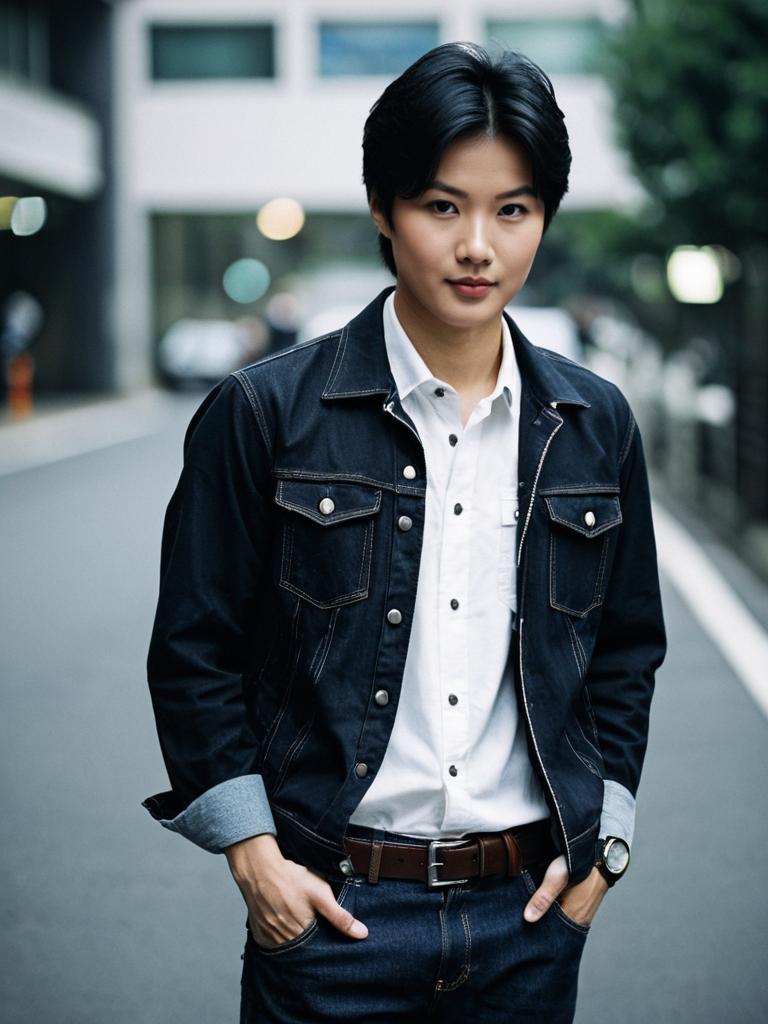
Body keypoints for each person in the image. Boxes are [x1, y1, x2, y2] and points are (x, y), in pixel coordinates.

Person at [142, 42, 667, 1023]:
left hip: (529, 919)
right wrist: (255, 859)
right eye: (442, 206)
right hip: (331, 915)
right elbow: (194, 648)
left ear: (545, 217)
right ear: (383, 208)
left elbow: (625, 651)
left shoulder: (595, 424)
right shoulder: (262, 413)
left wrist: (608, 845)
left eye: (513, 210)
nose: (478, 246)